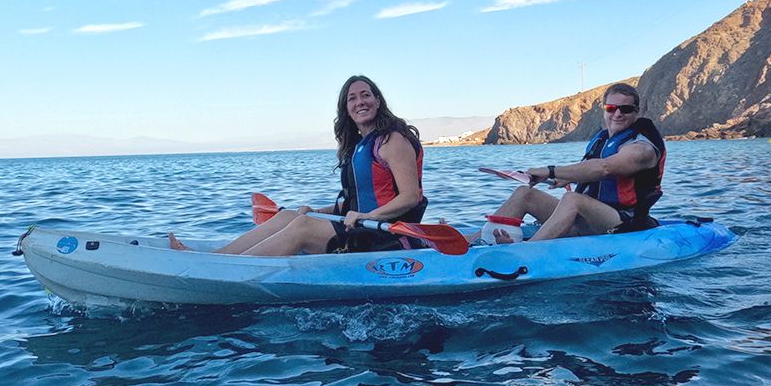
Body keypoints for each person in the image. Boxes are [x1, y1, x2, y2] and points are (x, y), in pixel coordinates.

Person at [175, 75, 427, 256]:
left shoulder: (392, 140)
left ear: (378, 101)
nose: (360, 102)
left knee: (302, 227)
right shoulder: (359, 146)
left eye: (366, 95)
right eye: (352, 98)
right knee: (290, 215)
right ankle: (216, 258)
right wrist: (317, 210)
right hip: (361, 227)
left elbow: (410, 197)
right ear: (346, 109)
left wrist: (367, 216)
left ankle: (223, 268)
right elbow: (354, 203)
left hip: (387, 237)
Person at [482, 82, 665, 242]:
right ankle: (479, 242)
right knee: (525, 193)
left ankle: (525, 251)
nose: (617, 114)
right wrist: (566, 178)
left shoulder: (643, 148)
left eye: (625, 109)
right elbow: (590, 172)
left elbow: (604, 168)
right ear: (604, 110)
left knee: (573, 200)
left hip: (625, 222)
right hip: (589, 219)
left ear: (636, 112)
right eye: (611, 108)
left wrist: (550, 171)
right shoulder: (602, 141)